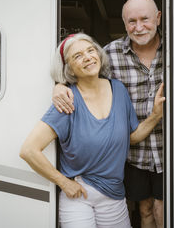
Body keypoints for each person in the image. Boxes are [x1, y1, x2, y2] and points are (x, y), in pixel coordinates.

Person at [20, 33, 165, 228]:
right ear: (68, 68)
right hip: (79, 196)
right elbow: (29, 150)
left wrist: (155, 115)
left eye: (91, 50)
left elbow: (131, 138)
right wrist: (64, 183)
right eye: (77, 56)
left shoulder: (119, 90)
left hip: (114, 194)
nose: (88, 57)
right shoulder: (67, 100)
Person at [52, 0, 164, 228]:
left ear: (158, 18)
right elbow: (82, 70)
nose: (139, 27)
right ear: (124, 24)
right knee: (144, 210)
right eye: (131, 21)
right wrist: (59, 86)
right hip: (130, 154)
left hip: (170, 149)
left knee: (162, 210)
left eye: (145, 19)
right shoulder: (109, 54)